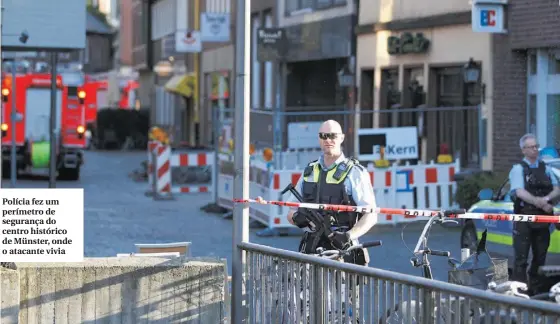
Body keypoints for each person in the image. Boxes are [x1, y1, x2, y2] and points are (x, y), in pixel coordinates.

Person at [257, 120, 378, 266]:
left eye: (332, 135)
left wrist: (348, 235)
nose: (328, 140)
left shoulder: (355, 173)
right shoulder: (310, 170)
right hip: (311, 251)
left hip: (343, 252)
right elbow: (291, 211)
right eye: (323, 136)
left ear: (342, 137)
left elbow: (371, 214)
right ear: (319, 139)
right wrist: (297, 218)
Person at [509, 133, 560, 295]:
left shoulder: (546, 168)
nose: (535, 149)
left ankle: (535, 290)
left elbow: (557, 188)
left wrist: (546, 199)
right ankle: (519, 292)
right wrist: (540, 202)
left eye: (536, 146)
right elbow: (520, 192)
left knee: (540, 257)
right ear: (523, 150)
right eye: (531, 147)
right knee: (521, 259)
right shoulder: (518, 169)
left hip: (542, 219)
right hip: (524, 219)